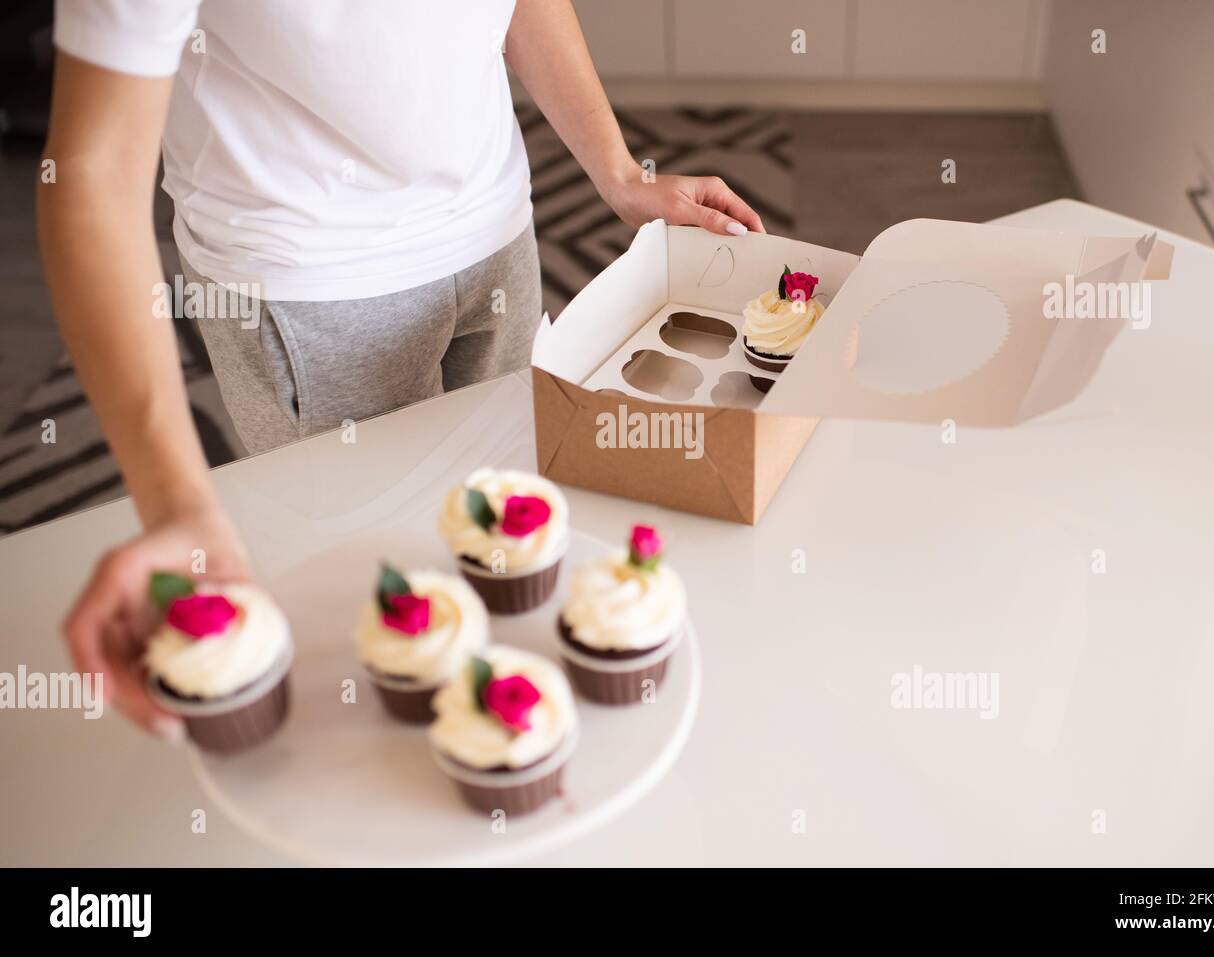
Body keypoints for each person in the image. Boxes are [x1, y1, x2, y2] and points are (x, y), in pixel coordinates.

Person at [37, 0, 765, 741]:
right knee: (374, 613)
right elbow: (90, 175)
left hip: (494, 231)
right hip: (313, 278)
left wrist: (615, 170)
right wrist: (173, 505)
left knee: (505, 537)